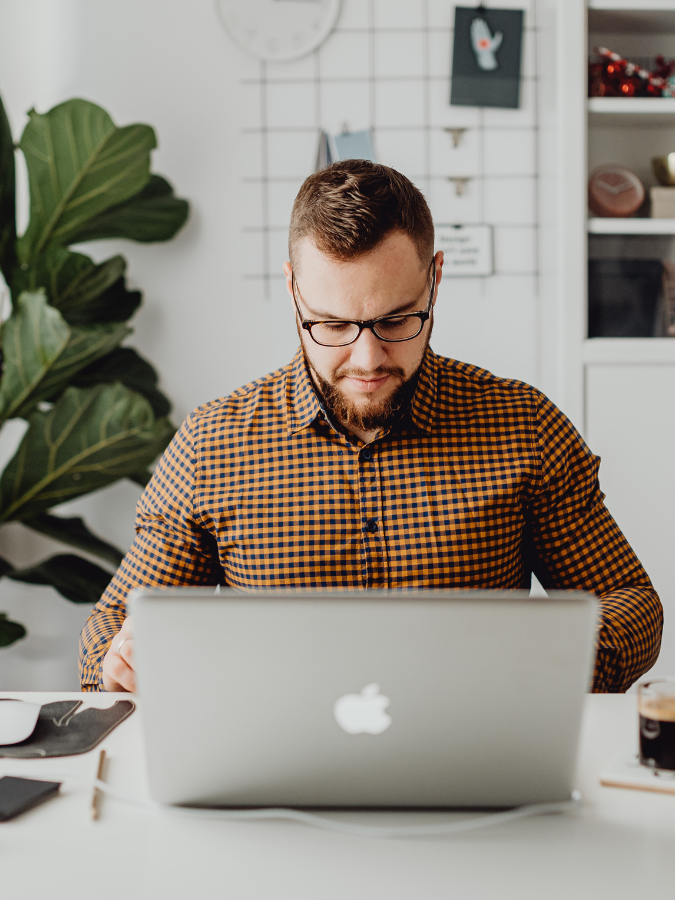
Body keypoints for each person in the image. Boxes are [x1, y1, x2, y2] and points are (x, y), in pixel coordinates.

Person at [79, 160, 662, 694]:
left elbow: (632, 603)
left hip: (474, 763)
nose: (366, 360)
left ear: (434, 279)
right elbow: (112, 624)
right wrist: (119, 658)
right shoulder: (213, 445)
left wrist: (556, 661)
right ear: (292, 291)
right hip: (273, 776)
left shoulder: (523, 426)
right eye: (332, 325)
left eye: (395, 320)